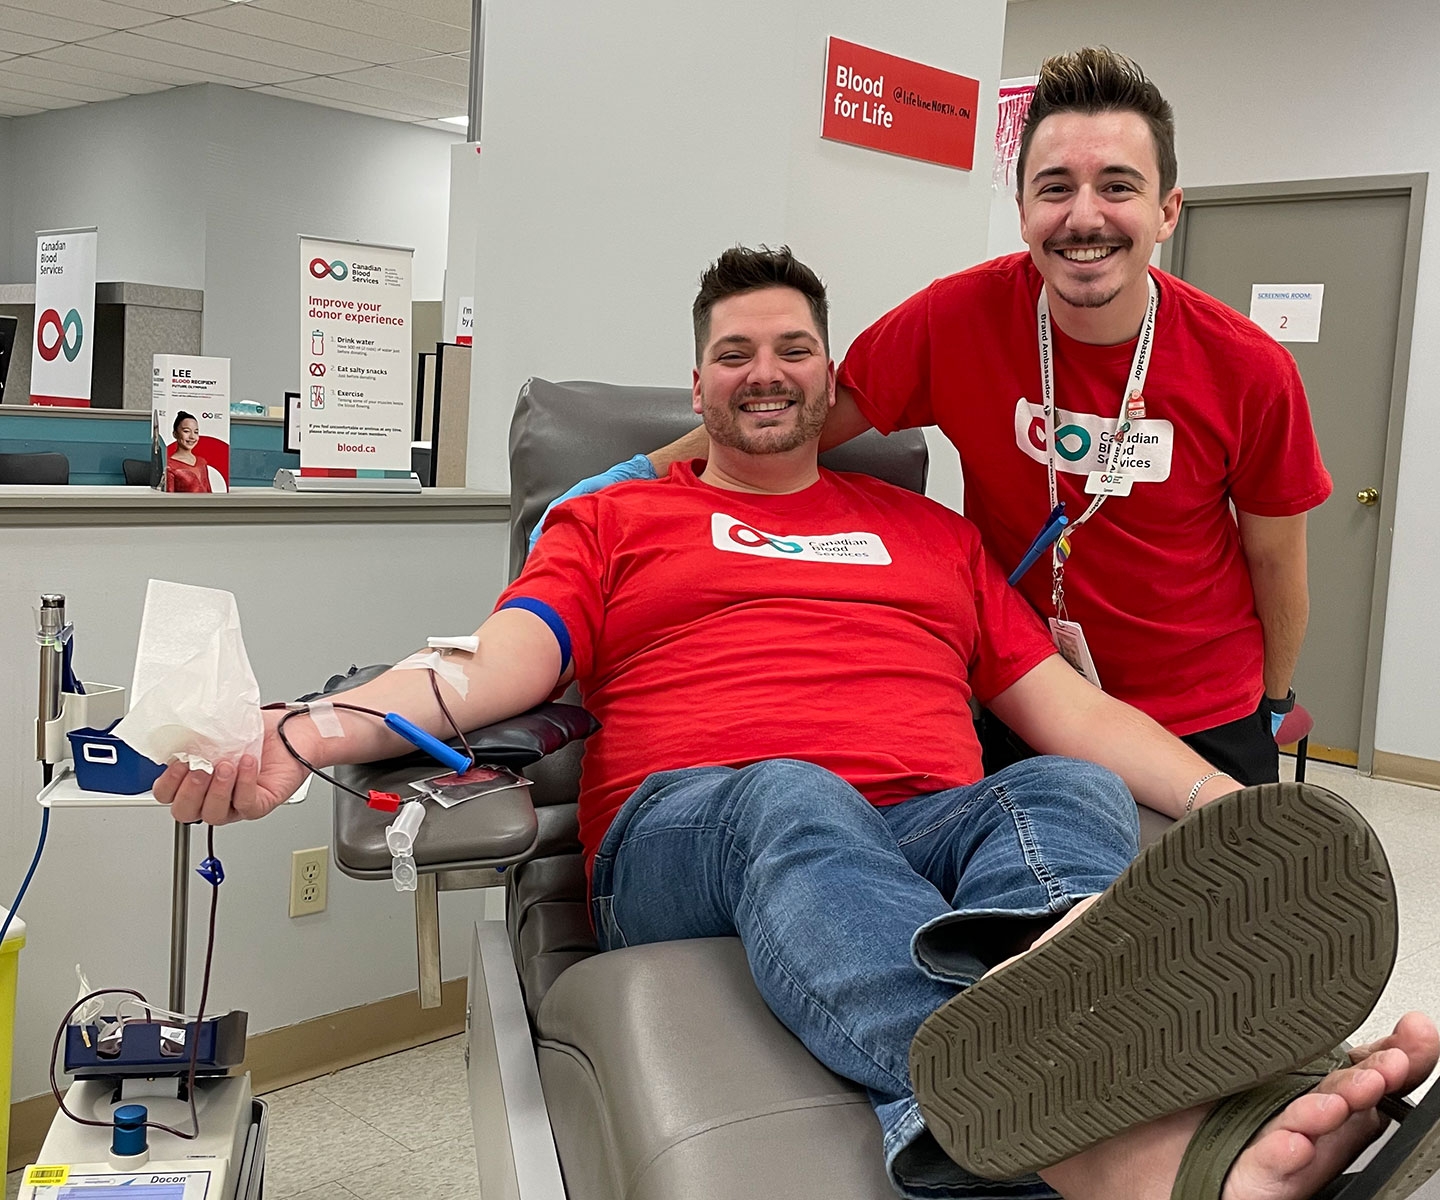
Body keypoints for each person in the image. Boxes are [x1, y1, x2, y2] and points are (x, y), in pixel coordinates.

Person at [155, 248, 1435, 1200]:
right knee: (792, 793)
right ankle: (1069, 1122)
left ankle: (1071, 1005)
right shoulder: (608, 524)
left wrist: (1238, 813)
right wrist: (307, 730)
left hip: (923, 826)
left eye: (794, 349)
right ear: (697, 383)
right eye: (734, 352)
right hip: (698, 829)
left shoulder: (931, 537)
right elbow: (489, 670)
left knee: (1065, 794)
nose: (766, 372)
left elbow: (1069, 712)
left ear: (834, 376)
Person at [535, 48, 1330, 789]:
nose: (1084, 217)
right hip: (1027, 699)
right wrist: (639, 476)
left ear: (1168, 210)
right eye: (1055, 188)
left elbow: (1275, 563)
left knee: (1210, 925)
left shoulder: (1249, 368)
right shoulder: (959, 319)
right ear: (1023, 211)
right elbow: (788, 417)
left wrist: (1271, 700)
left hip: (1200, 709)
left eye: (1118, 186)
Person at [164, 411, 213, 494]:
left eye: (196, 432)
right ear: (175, 434)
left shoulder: (202, 462)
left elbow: (209, 493)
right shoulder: (169, 466)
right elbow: (170, 502)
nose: (192, 437)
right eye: (186, 431)